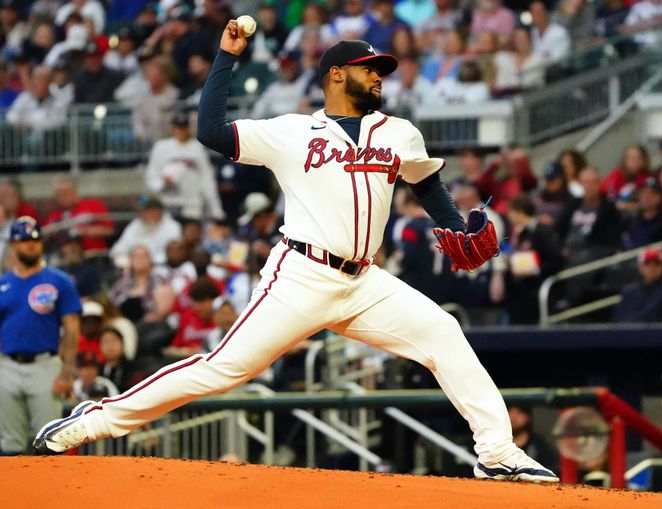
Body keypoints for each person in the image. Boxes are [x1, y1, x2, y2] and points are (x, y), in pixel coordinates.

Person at [34, 32, 559, 484]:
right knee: (223, 369)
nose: (378, 76)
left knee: (444, 333)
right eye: (368, 68)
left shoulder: (399, 132)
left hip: (366, 283)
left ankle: (495, 453)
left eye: (381, 69)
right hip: (301, 276)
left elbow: (427, 183)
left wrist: (452, 224)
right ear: (336, 75)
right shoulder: (291, 132)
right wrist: (226, 57)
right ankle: (95, 420)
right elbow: (211, 132)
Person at [0, 217, 81, 454]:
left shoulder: (59, 281)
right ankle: (10, 492)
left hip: (45, 365)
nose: (30, 245)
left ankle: (52, 492)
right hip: (7, 365)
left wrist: (66, 372)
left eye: (35, 240)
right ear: (13, 245)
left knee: (49, 441)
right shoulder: (3, 283)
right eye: (24, 240)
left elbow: (72, 328)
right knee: (8, 443)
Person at [144, 112, 225, 222]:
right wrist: (162, 182)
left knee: (191, 235)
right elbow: (151, 175)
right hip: (168, 202)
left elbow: (206, 178)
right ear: (172, 128)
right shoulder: (161, 147)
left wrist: (216, 208)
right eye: (177, 127)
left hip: (192, 204)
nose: (180, 130)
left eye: (183, 127)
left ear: (188, 128)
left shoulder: (197, 148)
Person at [504, 196, 562, 324]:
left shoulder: (543, 231)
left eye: (511, 211)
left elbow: (555, 259)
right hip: (518, 291)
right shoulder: (517, 233)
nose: (509, 215)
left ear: (520, 211)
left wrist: (535, 269)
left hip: (536, 289)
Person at [43, 176, 114, 260]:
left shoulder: (93, 205)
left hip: (93, 256)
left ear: (74, 192)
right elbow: (44, 235)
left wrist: (83, 231)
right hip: (65, 259)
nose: (62, 197)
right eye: (59, 194)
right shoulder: (53, 215)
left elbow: (109, 231)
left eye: (65, 193)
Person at [110, 195, 182, 269]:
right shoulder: (136, 224)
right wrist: (123, 259)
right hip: (134, 268)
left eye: (144, 211)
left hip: (163, 268)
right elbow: (119, 247)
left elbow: (173, 254)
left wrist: (145, 261)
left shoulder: (173, 227)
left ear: (157, 211)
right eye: (140, 211)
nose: (140, 214)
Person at [612, 247, 662, 322]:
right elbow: (619, 321)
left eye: (656, 264)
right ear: (640, 267)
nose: (652, 268)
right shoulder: (629, 292)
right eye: (647, 264)